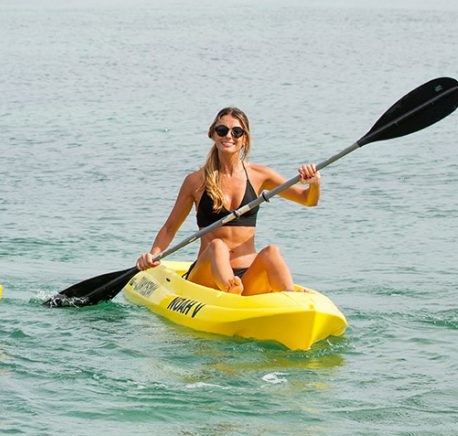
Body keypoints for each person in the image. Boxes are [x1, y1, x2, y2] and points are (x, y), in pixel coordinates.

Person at [134, 107, 319, 295]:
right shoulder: (196, 181)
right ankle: (229, 289)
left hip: (246, 276)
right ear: (213, 135)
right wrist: (153, 254)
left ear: (244, 139)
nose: (228, 136)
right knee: (217, 245)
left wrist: (314, 183)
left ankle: (291, 297)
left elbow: (307, 200)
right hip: (206, 276)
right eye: (222, 130)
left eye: (236, 131)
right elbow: (169, 228)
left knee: (272, 252)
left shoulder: (260, 175)